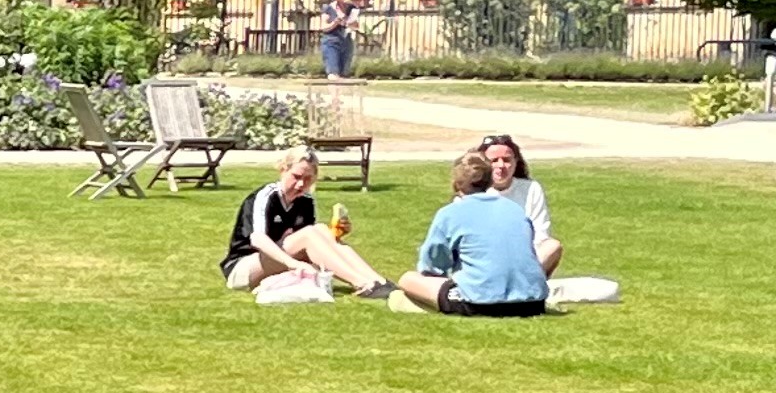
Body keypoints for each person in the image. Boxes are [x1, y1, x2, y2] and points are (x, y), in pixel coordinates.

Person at [393, 152, 551, 315]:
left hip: (480, 301)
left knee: (408, 279)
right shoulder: (515, 209)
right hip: (534, 301)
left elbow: (432, 266)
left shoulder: (450, 213)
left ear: (456, 182)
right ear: (490, 180)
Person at [220, 149, 392, 298]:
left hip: (277, 259)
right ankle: (361, 283)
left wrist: (336, 235)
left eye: (308, 179)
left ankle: (378, 281)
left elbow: (314, 247)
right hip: (243, 269)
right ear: (283, 170)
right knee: (310, 233)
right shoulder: (266, 197)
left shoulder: (306, 200)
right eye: (296, 177)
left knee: (321, 230)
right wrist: (292, 263)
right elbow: (257, 239)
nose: (301, 184)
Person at [477, 133, 561, 274]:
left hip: (524, 261)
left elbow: (541, 233)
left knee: (552, 246)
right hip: (485, 261)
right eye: (494, 160)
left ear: (516, 162)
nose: (501, 166)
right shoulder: (474, 192)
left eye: (506, 160)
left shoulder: (531, 188)